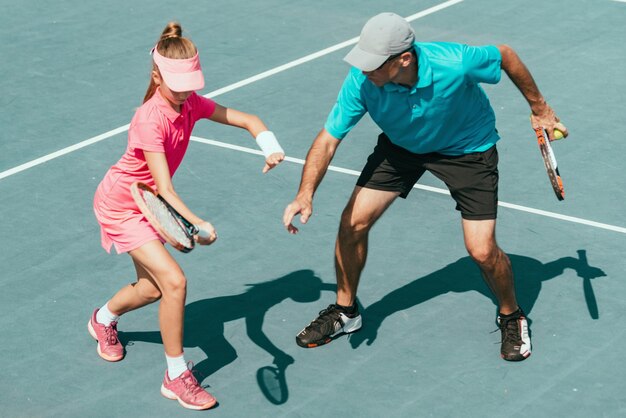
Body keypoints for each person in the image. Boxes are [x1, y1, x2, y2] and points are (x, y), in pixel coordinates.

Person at [282, 12, 567, 362]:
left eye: (373, 65)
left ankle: (511, 314)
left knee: (481, 250)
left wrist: (541, 109)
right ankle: (346, 312)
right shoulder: (362, 81)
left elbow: (505, 55)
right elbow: (328, 140)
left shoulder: (456, 63)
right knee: (352, 223)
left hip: (467, 150)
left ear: (404, 59)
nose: (365, 72)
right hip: (402, 148)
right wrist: (305, 192)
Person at [89, 22, 284, 410]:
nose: (184, 92)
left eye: (190, 83)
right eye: (177, 84)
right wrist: (199, 225)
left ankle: (102, 319)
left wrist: (269, 146)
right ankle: (176, 375)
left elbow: (249, 119)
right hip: (123, 204)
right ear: (156, 75)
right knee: (175, 282)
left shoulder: (190, 102)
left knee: (152, 289)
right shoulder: (150, 118)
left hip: (148, 203)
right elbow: (164, 189)